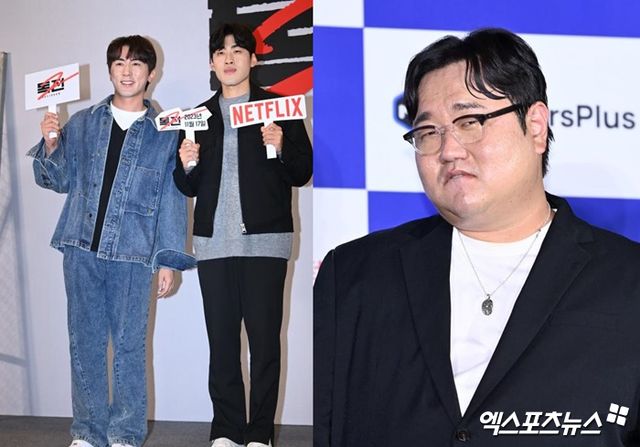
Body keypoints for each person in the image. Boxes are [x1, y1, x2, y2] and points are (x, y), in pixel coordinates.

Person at [314, 28, 640, 446]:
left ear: (536, 127)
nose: (448, 150)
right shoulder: (354, 274)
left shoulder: (628, 280)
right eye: (428, 132)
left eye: (470, 122)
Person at [28, 35, 194, 447]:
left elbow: (173, 197)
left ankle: (125, 435)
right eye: (119, 63)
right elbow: (57, 181)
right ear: (109, 71)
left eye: (137, 64)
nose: (127, 71)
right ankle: (88, 432)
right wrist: (52, 144)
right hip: (80, 249)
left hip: (134, 256)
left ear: (151, 74)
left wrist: (168, 259)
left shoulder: (165, 131)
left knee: (129, 349)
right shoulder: (84, 122)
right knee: (83, 344)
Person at [172, 23, 312, 447]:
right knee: (222, 344)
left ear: (253, 59)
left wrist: (281, 145)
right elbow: (186, 186)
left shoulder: (279, 109)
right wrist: (188, 163)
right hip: (213, 243)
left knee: (265, 345)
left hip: (266, 242)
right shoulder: (197, 117)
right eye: (221, 52)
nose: (229, 58)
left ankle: (259, 434)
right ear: (212, 63)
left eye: (237, 51)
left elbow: (302, 171)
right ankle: (226, 430)